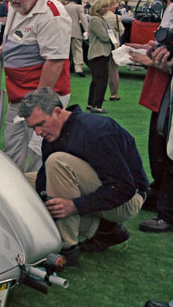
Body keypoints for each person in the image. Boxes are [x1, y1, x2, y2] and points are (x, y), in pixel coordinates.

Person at [19, 88, 148, 266]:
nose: (38, 132)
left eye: (41, 124)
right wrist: (44, 199)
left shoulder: (96, 132)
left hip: (128, 200)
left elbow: (123, 188)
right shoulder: (54, 133)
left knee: (58, 164)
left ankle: (68, 248)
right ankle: (103, 229)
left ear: (57, 112)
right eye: (33, 127)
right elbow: (43, 178)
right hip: (101, 189)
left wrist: (76, 206)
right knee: (20, 182)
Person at [0, 0, 71, 172]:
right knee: (12, 145)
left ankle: (37, 195)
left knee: (39, 149)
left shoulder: (53, 15)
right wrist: (5, 49)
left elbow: (55, 61)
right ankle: (12, 189)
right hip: (18, 94)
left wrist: (38, 103)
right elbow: (19, 37)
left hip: (42, 96)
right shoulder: (16, 5)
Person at [129, 0, 173, 233]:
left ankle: (168, 211)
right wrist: (156, 50)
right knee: (158, 147)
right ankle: (159, 197)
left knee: (169, 152)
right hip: (165, 91)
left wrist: (153, 61)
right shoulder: (170, 8)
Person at [86, 0, 112, 114]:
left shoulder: (100, 19)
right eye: (103, 6)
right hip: (98, 53)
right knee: (101, 80)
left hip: (100, 53)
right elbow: (105, 37)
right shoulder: (96, 20)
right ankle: (96, 105)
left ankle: (91, 103)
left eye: (107, 6)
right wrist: (113, 36)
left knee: (96, 80)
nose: (105, 9)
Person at [104, 0, 124, 101]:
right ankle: (113, 93)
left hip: (101, 46)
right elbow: (121, 30)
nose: (115, 7)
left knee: (100, 71)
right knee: (113, 70)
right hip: (113, 45)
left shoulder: (99, 16)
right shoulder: (116, 18)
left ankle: (99, 94)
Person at [64, 0, 88, 77]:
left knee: (65, 51)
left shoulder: (64, 7)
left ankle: (65, 67)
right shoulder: (79, 7)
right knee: (78, 49)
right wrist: (87, 30)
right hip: (75, 30)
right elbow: (83, 19)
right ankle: (78, 68)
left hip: (64, 31)